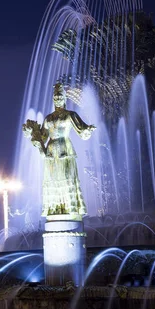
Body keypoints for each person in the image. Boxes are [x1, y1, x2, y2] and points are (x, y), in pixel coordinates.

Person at [23, 82, 96, 218]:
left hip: (65, 149)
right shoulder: (48, 118)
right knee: (52, 179)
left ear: (64, 98)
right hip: (51, 151)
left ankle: (70, 209)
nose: (57, 99)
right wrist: (33, 135)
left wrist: (88, 130)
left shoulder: (70, 115)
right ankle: (54, 208)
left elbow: (81, 130)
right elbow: (43, 137)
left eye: (60, 96)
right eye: (55, 97)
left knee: (67, 178)